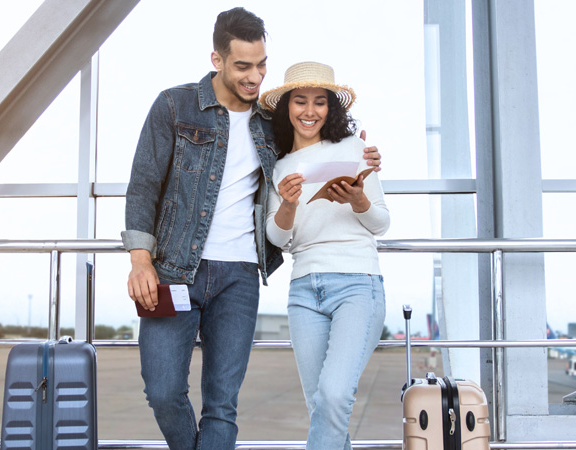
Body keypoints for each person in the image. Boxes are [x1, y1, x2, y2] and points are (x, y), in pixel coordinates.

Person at [122, 9, 381, 449]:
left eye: (262, 65)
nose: (255, 76)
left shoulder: (269, 124)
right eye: (243, 66)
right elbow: (144, 185)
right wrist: (139, 260)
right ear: (217, 59)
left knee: (223, 404)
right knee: (163, 391)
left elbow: (314, 138)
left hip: (241, 275)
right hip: (174, 270)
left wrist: (362, 162)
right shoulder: (174, 104)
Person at [260, 61, 389, 450]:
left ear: (332, 109)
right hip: (303, 292)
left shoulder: (354, 149)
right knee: (322, 409)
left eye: (320, 102)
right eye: (300, 101)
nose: (310, 111)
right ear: (287, 108)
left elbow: (381, 223)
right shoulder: (278, 167)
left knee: (333, 397)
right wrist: (288, 202)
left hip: (357, 285)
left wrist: (359, 199)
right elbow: (277, 237)